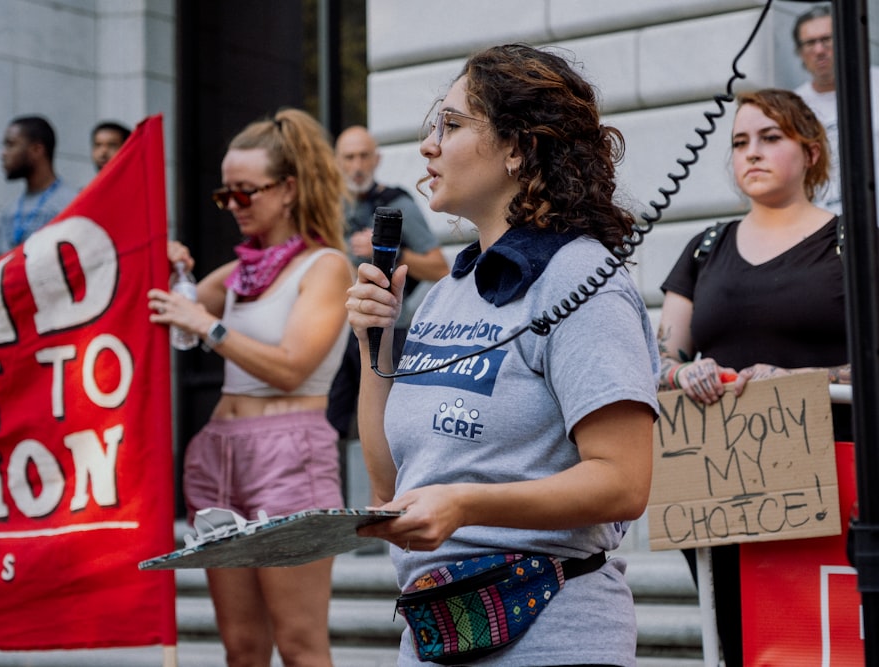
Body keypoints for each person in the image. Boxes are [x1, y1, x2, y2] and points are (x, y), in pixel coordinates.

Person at [351, 44, 660, 666]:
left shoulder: (581, 278)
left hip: (553, 638)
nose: (428, 146)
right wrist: (373, 342)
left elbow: (625, 481)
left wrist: (468, 503)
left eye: (453, 124)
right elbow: (391, 485)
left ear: (519, 147)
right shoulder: (445, 295)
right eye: (430, 126)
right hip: (436, 634)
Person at [147, 108, 352, 667]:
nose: (234, 206)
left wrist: (208, 327)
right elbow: (160, 301)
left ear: (287, 189)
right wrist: (162, 260)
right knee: (240, 648)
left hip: (290, 455)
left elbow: (290, 366)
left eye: (245, 194)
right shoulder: (243, 271)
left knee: (300, 643)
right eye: (225, 197)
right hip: (218, 456)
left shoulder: (326, 267)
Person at [657, 88, 851, 667]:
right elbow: (663, 358)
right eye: (740, 141)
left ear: (811, 152)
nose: (752, 153)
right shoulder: (704, 248)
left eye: (771, 137)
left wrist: (800, 379)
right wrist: (683, 372)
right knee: (737, 641)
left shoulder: (851, 242)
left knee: (823, 639)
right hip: (719, 483)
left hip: (832, 478)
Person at [327, 125, 449, 439]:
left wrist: (388, 251)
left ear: (377, 159)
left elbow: (439, 268)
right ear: (336, 162)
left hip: (389, 331)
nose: (356, 166)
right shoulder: (328, 209)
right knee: (332, 427)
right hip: (338, 334)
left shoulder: (398, 203)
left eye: (364, 156)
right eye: (349, 157)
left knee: (386, 427)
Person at [791, 3, 879, 214]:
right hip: (827, 232)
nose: (820, 50)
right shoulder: (793, 106)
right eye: (810, 43)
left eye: (827, 39)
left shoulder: (876, 82)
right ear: (800, 52)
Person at [0, 115, 78, 255]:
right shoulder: (8, 212)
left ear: (37, 150)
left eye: (11, 145)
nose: (3, 154)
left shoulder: (71, 203)